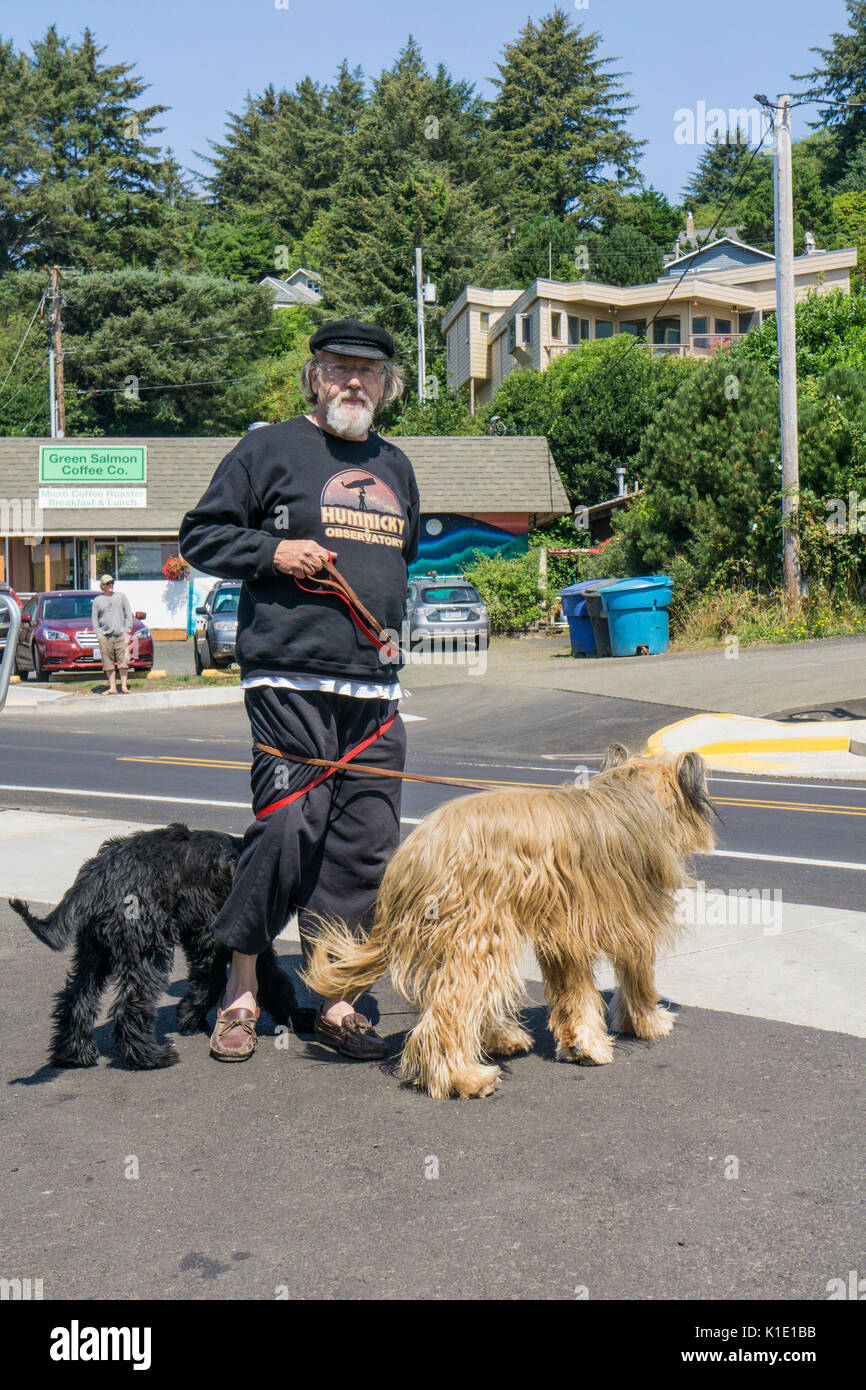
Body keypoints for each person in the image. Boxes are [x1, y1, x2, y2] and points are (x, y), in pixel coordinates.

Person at [179, 318, 420, 1062]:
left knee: (362, 851)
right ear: (314, 377)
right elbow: (201, 536)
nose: (355, 381)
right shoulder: (267, 450)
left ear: (387, 385)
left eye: (369, 371)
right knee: (286, 832)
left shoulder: (397, 465)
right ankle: (241, 985)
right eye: (341, 368)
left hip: (375, 695)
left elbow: (401, 556)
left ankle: (337, 998)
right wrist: (275, 550)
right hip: (289, 682)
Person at [91, 575, 133, 695]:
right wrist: (99, 635)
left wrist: (127, 630)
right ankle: (112, 687)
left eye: (112, 583)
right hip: (105, 636)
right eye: (108, 583)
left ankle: (124, 687)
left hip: (120, 635)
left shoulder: (121, 597)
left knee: (124, 661)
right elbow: (95, 620)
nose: (111, 585)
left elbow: (128, 614)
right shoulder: (97, 601)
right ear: (103, 586)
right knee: (108, 662)